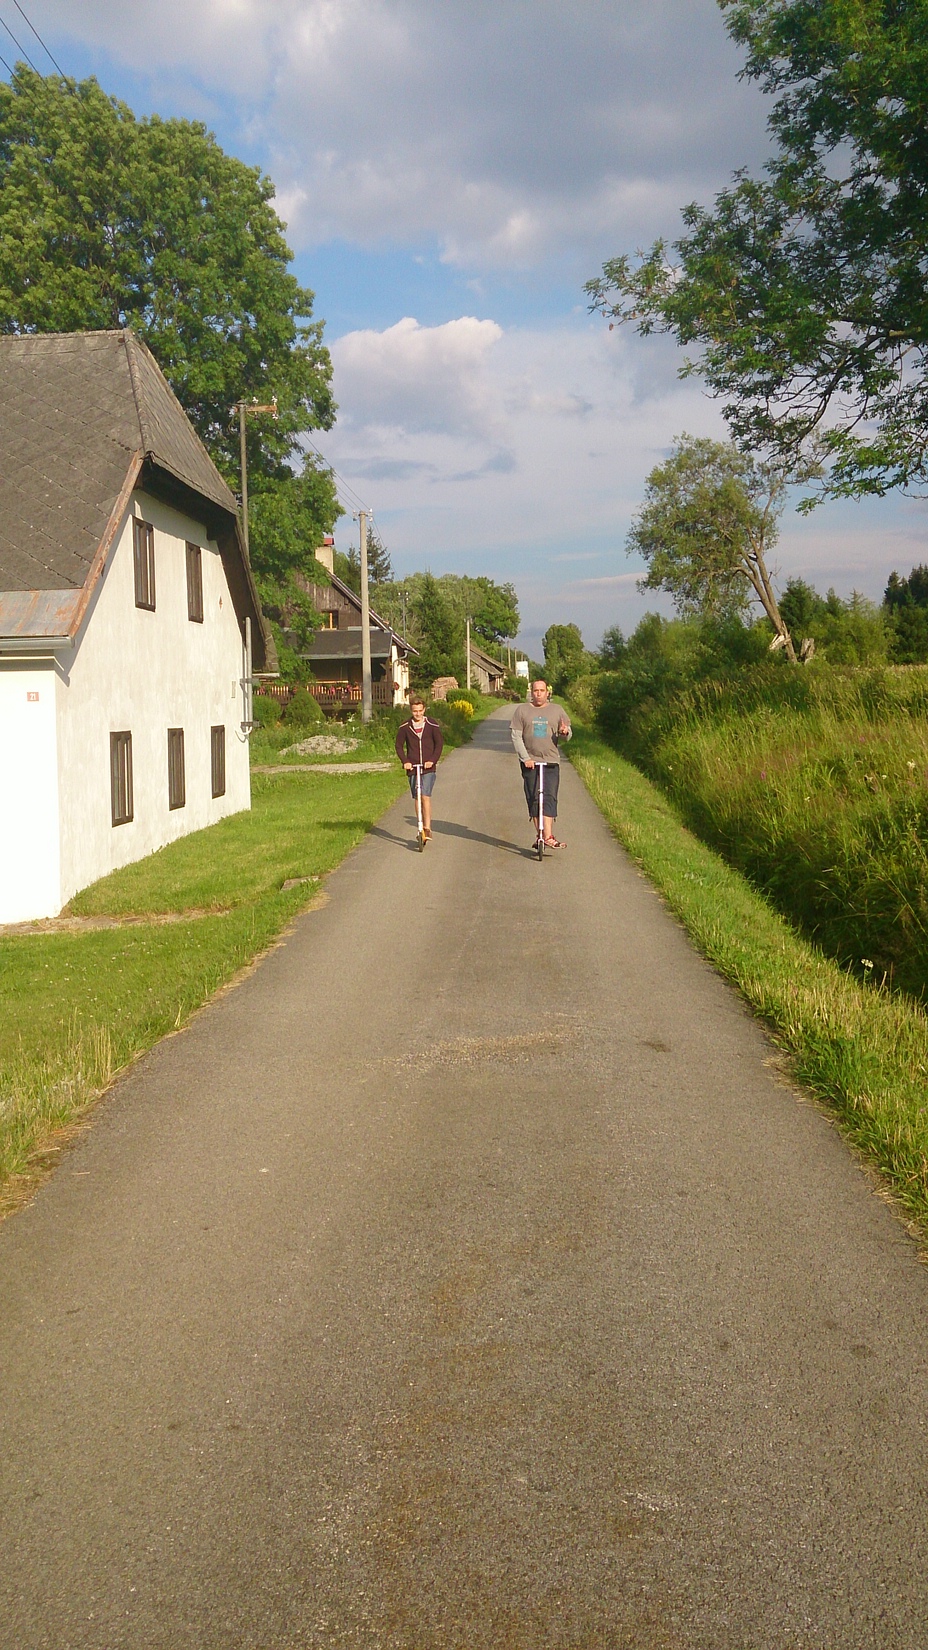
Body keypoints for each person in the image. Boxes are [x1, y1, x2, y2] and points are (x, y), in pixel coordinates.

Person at [510, 679, 572, 848]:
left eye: (542, 690)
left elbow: (567, 735)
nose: (538, 694)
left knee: (549, 797)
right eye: (535, 690)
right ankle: (541, 835)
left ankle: (548, 836)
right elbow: (516, 736)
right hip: (530, 761)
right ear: (531, 692)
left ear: (547, 692)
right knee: (534, 798)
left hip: (551, 761)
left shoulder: (557, 710)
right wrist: (525, 758)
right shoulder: (522, 710)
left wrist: (564, 732)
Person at [395, 695, 444, 838]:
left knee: (425, 796)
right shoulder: (405, 727)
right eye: (415, 711)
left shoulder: (432, 725)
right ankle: (420, 826)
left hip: (428, 767)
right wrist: (405, 761)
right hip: (413, 767)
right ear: (411, 710)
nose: (418, 714)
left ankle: (427, 828)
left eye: (420, 711)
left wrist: (432, 760)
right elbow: (399, 746)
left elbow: (439, 744)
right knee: (417, 796)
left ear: (424, 710)